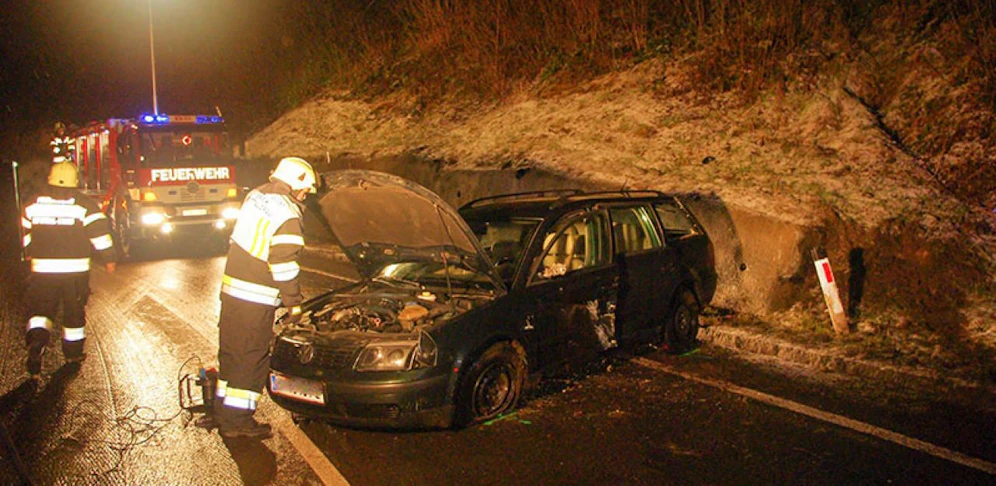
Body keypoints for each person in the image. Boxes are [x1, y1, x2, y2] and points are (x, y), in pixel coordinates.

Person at [212, 156, 317, 439]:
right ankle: (238, 423)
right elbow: (283, 265)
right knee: (251, 358)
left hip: (232, 291)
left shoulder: (257, 195)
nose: (305, 195)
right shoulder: (289, 215)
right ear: (296, 184)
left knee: (232, 353)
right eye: (306, 189)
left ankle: (223, 412)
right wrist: (294, 303)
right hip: (254, 298)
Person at [21, 162, 117, 379]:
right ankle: (72, 355)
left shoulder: (33, 205)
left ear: (50, 180)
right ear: (75, 183)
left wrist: (28, 250)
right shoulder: (84, 206)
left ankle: (36, 342)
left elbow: (23, 231)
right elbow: (100, 235)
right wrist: (109, 259)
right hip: (75, 272)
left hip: (42, 270)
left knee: (41, 311)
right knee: (73, 313)